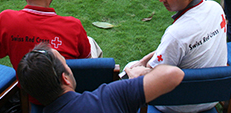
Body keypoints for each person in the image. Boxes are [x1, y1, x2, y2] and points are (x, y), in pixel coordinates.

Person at [123, 0, 227, 113]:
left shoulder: (177, 33)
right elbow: (180, 49)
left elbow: (154, 76)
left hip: (177, 105)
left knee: (128, 70)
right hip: (211, 98)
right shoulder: (215, 8)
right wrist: (144, 61)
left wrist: (132, 70)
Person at [18, 44, 184, 113]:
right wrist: (134, 79)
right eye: (67, 65)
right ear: (65, 79)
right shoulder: (111, 96)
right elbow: (173, 75)